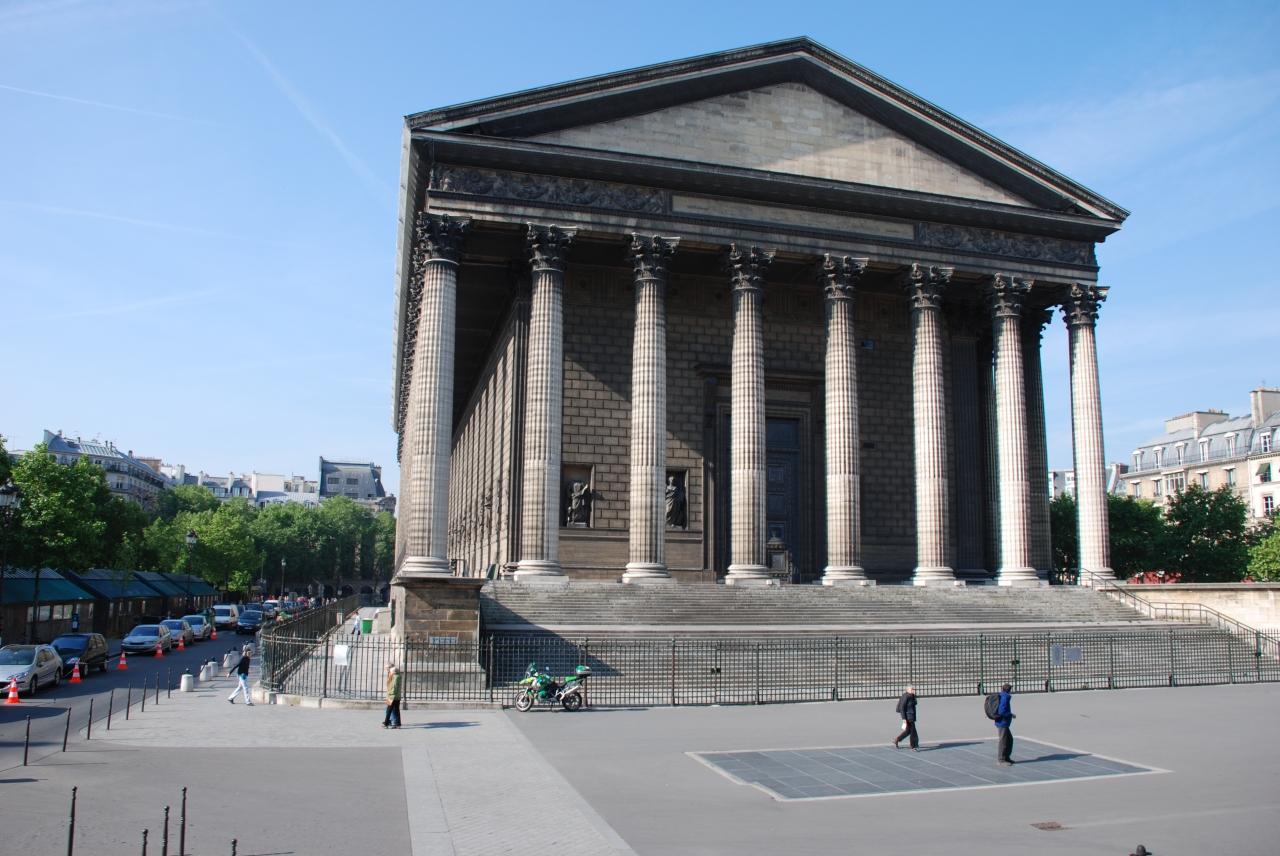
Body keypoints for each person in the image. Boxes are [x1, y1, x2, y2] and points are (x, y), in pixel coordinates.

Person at [893, 685, 919, 750]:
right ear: (907, 690)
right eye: (911, 689)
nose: (913, 690)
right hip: (908, 716)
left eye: (913, 689)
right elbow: (902, 708)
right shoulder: (905, 696)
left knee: (908, 731)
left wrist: (914, 696)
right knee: (913, 731)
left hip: (911, 715)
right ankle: (913, 746)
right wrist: (904, 718)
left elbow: (915, 703)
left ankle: (897, 739)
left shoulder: (912, 696)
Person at [995, 682, 1015, 765]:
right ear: (1009, 690)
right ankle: (1001, 760)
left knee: (1009, 739)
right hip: (1002, 722)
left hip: (1003, 722)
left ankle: (1006, 757)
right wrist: (1010, 714)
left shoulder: (1002, 695)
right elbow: (1002, 711)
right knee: (1003, 741)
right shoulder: (1005, 697)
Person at [383, 664, 402, 729]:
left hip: (391, 696)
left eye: (390, 671)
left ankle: (386, 723)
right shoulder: (398, 676)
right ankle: (398, 724)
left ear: (393, 672)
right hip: (397, 697)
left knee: (388, 710)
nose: (389, 671)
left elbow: (394, 687)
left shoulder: (395, 677)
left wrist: (390, 693)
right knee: (396, 710)